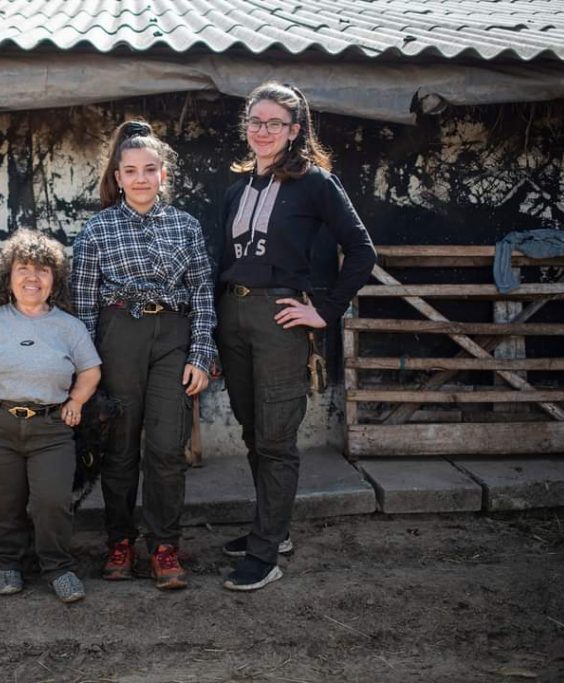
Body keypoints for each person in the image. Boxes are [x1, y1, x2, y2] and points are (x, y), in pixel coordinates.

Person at [214, 82, 376, 591]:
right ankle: (273, 528)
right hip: (233, 316)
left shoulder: (316, 183)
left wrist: (324, 311)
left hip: (282, 319)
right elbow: (224, 261)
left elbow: (361, 250)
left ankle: (265, 554)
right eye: (255, 121)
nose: (263, 131)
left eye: (274, 123)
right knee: (251, 430)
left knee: (277, 438)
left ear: (295, 130)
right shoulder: (236, 189)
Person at [72, 120, 216, 590]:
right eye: (129, 170)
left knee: (166, 448)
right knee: (119, 446)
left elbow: (202, 294)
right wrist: (89, 369)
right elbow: (85, 304)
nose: (139, 179)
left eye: (149, 170)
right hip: (118, 336)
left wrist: (200, 352)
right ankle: (119, 541)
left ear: (163, 175)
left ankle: (163, 545)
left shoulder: (186, 227)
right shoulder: (96, 230)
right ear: (117, 177)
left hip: (172, 336)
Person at [0, 229, 101, 603]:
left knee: (53, 501)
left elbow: (90, 371)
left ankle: (58, 567)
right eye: (23, 268)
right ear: (8, 276)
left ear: (56, 279)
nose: (32, 278)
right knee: (4, 502)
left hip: (51, 427)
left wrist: (77, 402)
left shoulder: (70, 326)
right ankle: (9, 563)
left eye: (43, 270)